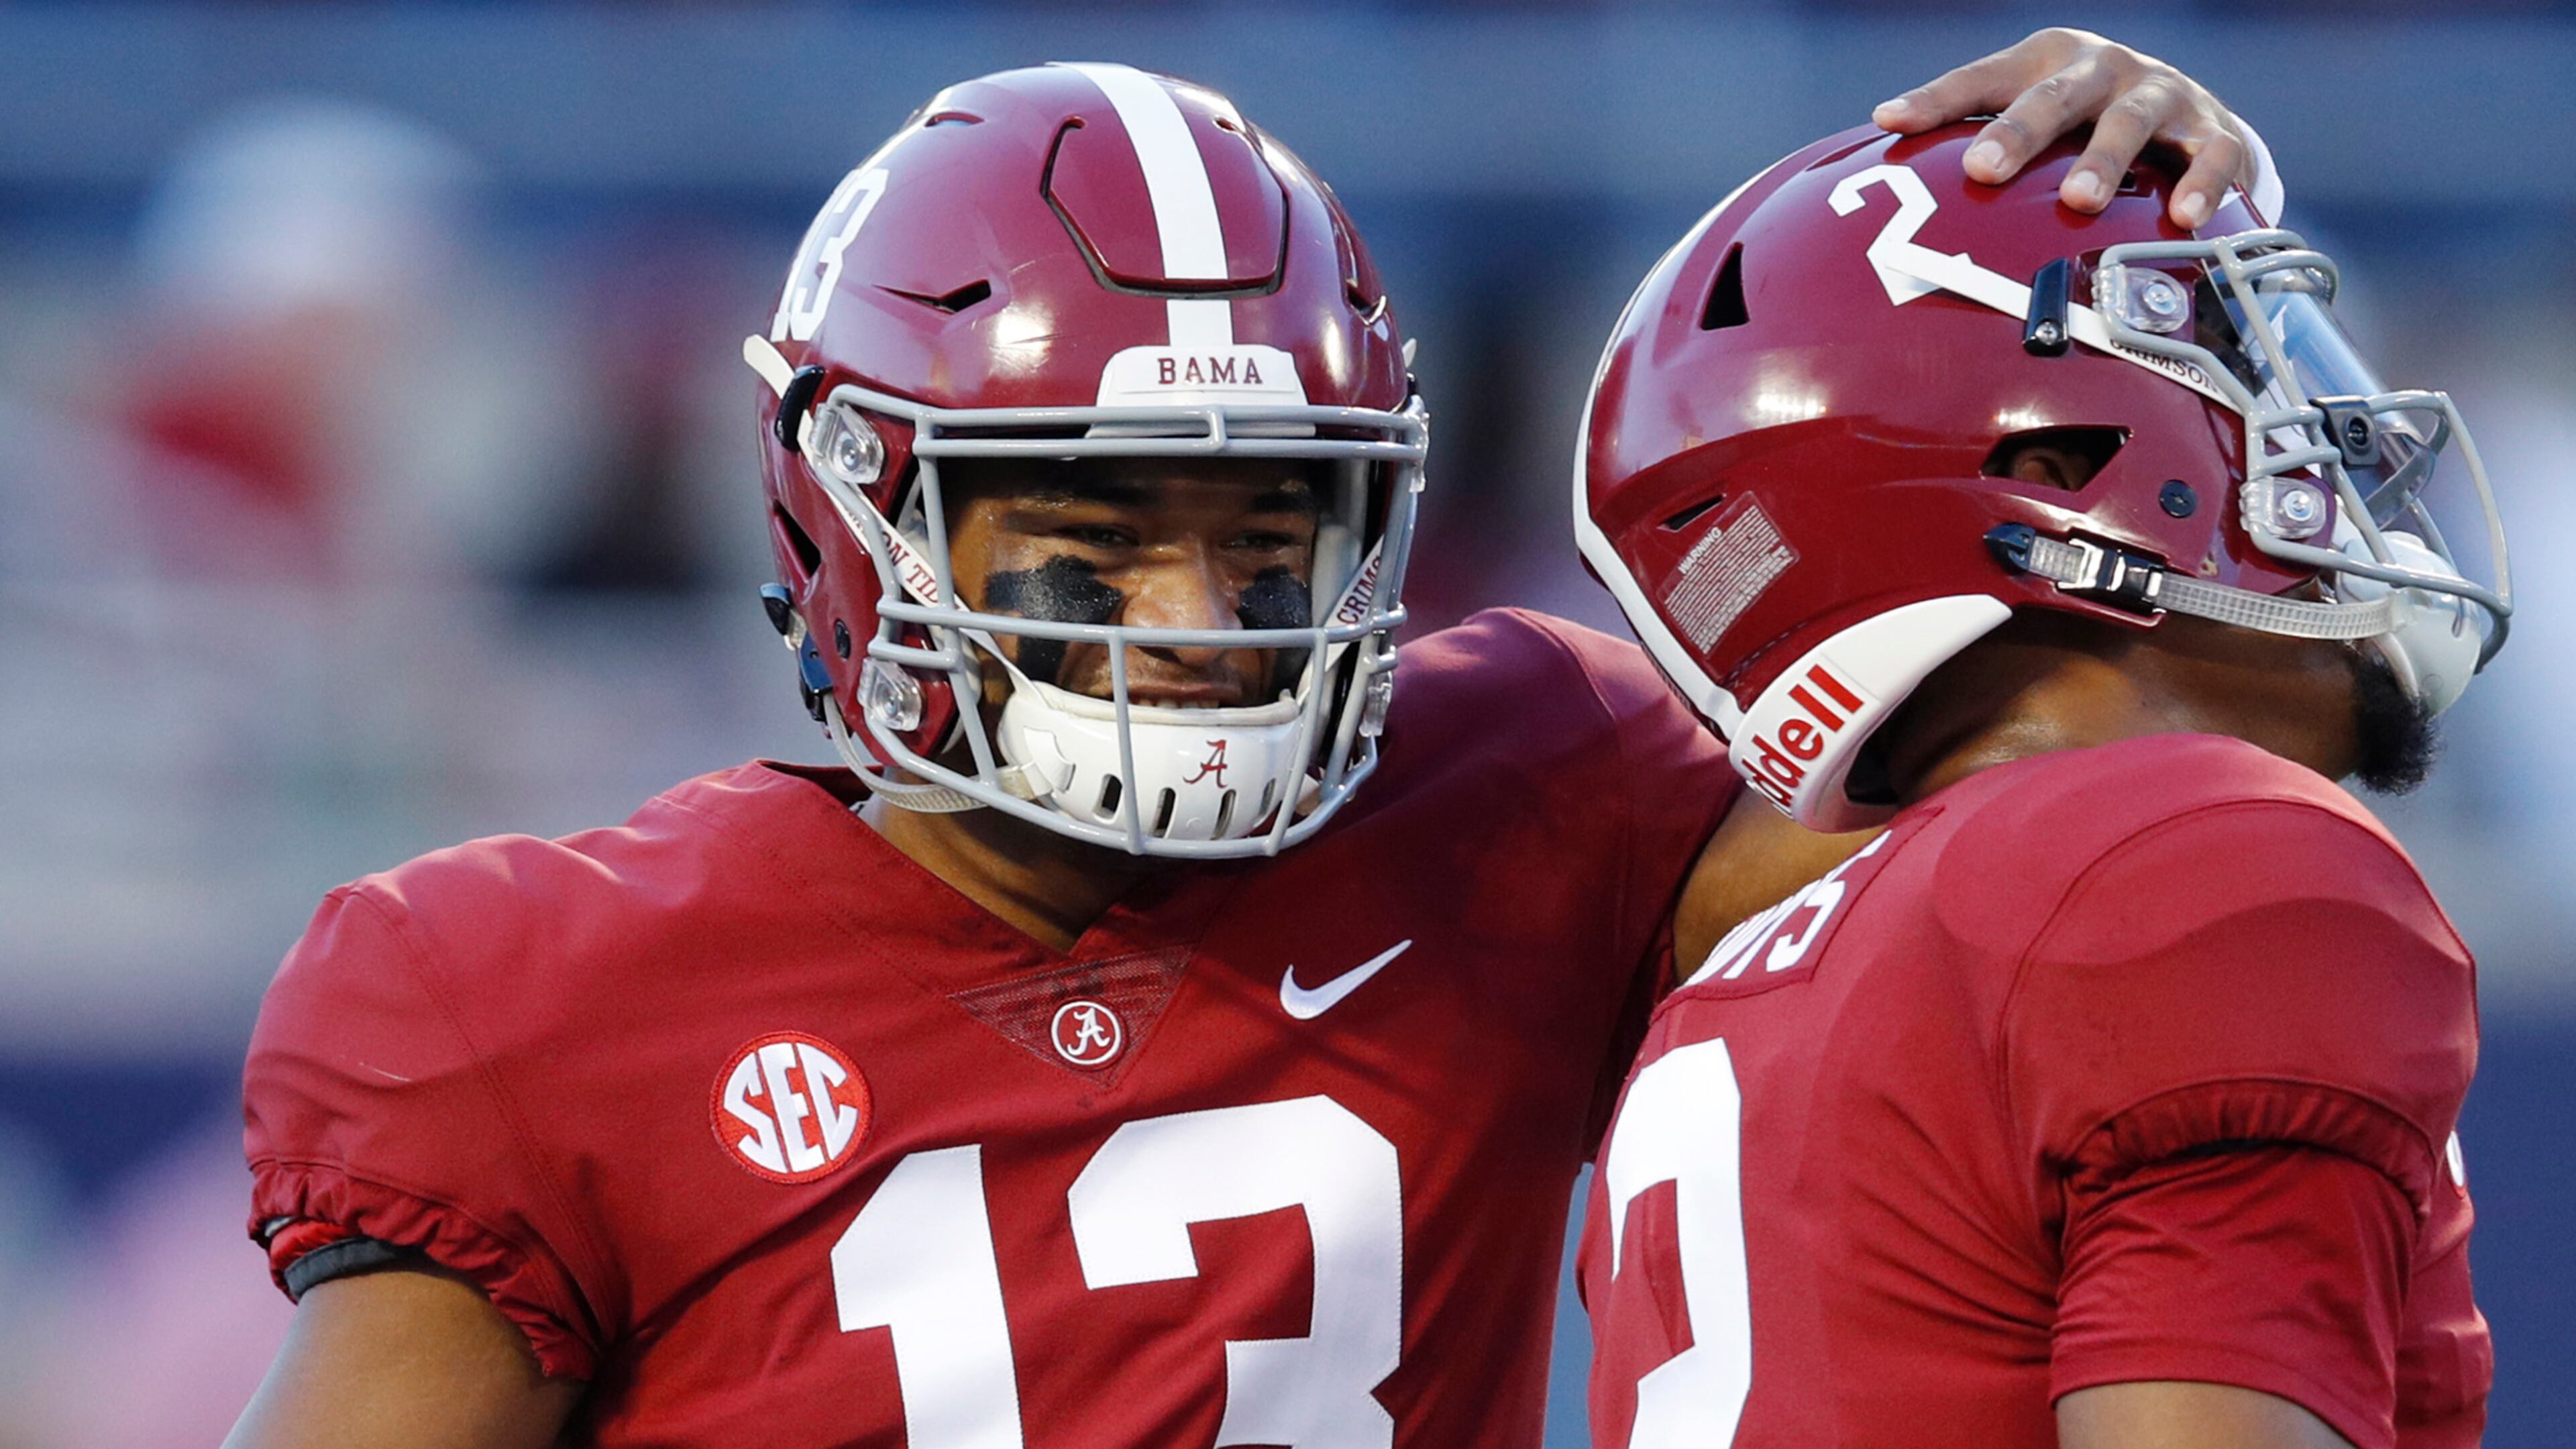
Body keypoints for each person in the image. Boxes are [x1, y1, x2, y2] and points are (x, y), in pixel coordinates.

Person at [227, 34, 2272, 1448]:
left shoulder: (1525, 798)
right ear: (850, 511)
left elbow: (2077, 855)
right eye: (1095, 542)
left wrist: (2113, 290)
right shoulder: (526, 987)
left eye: (1268, 538)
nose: (1198, 632)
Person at [1574, 117, 2502, 1448]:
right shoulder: (2200, 858)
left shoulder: (1734, 993)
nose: (2333, 444)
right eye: (2249, 368)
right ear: (2058, 470)